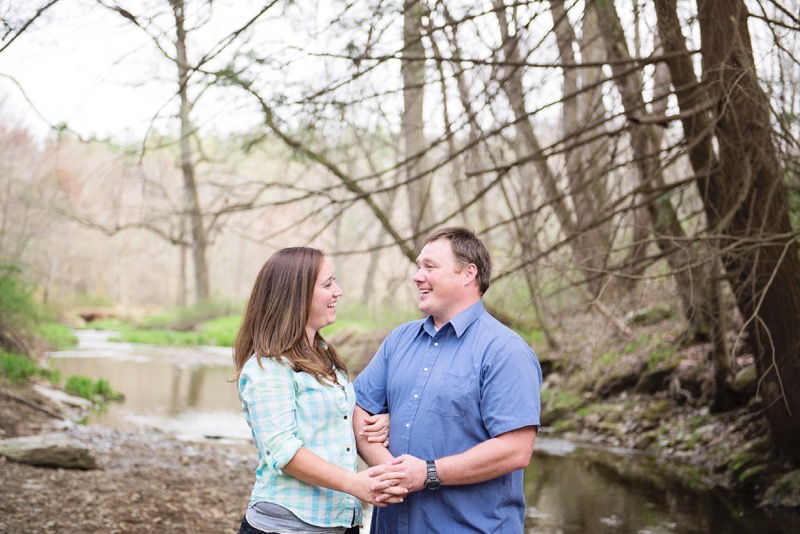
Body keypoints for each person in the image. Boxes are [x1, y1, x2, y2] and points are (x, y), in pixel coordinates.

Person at [353, 227, 543, 533]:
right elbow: (358, 410)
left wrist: (427, 473)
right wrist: (391, 471)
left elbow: (516, 449)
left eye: (429, 266)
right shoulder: (399, 340)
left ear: (468, 273)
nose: (417, 276)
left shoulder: (506, 351)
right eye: (418, 266)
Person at [233, 247, 406, 534]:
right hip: (287, 526)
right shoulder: (268, 367)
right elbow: (283, 451)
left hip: (340, 522)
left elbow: (337, 420)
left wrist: (382, 421)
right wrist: (356, 483)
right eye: (327, 285)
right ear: (296, 295)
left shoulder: (325, 356)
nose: (337, 291)